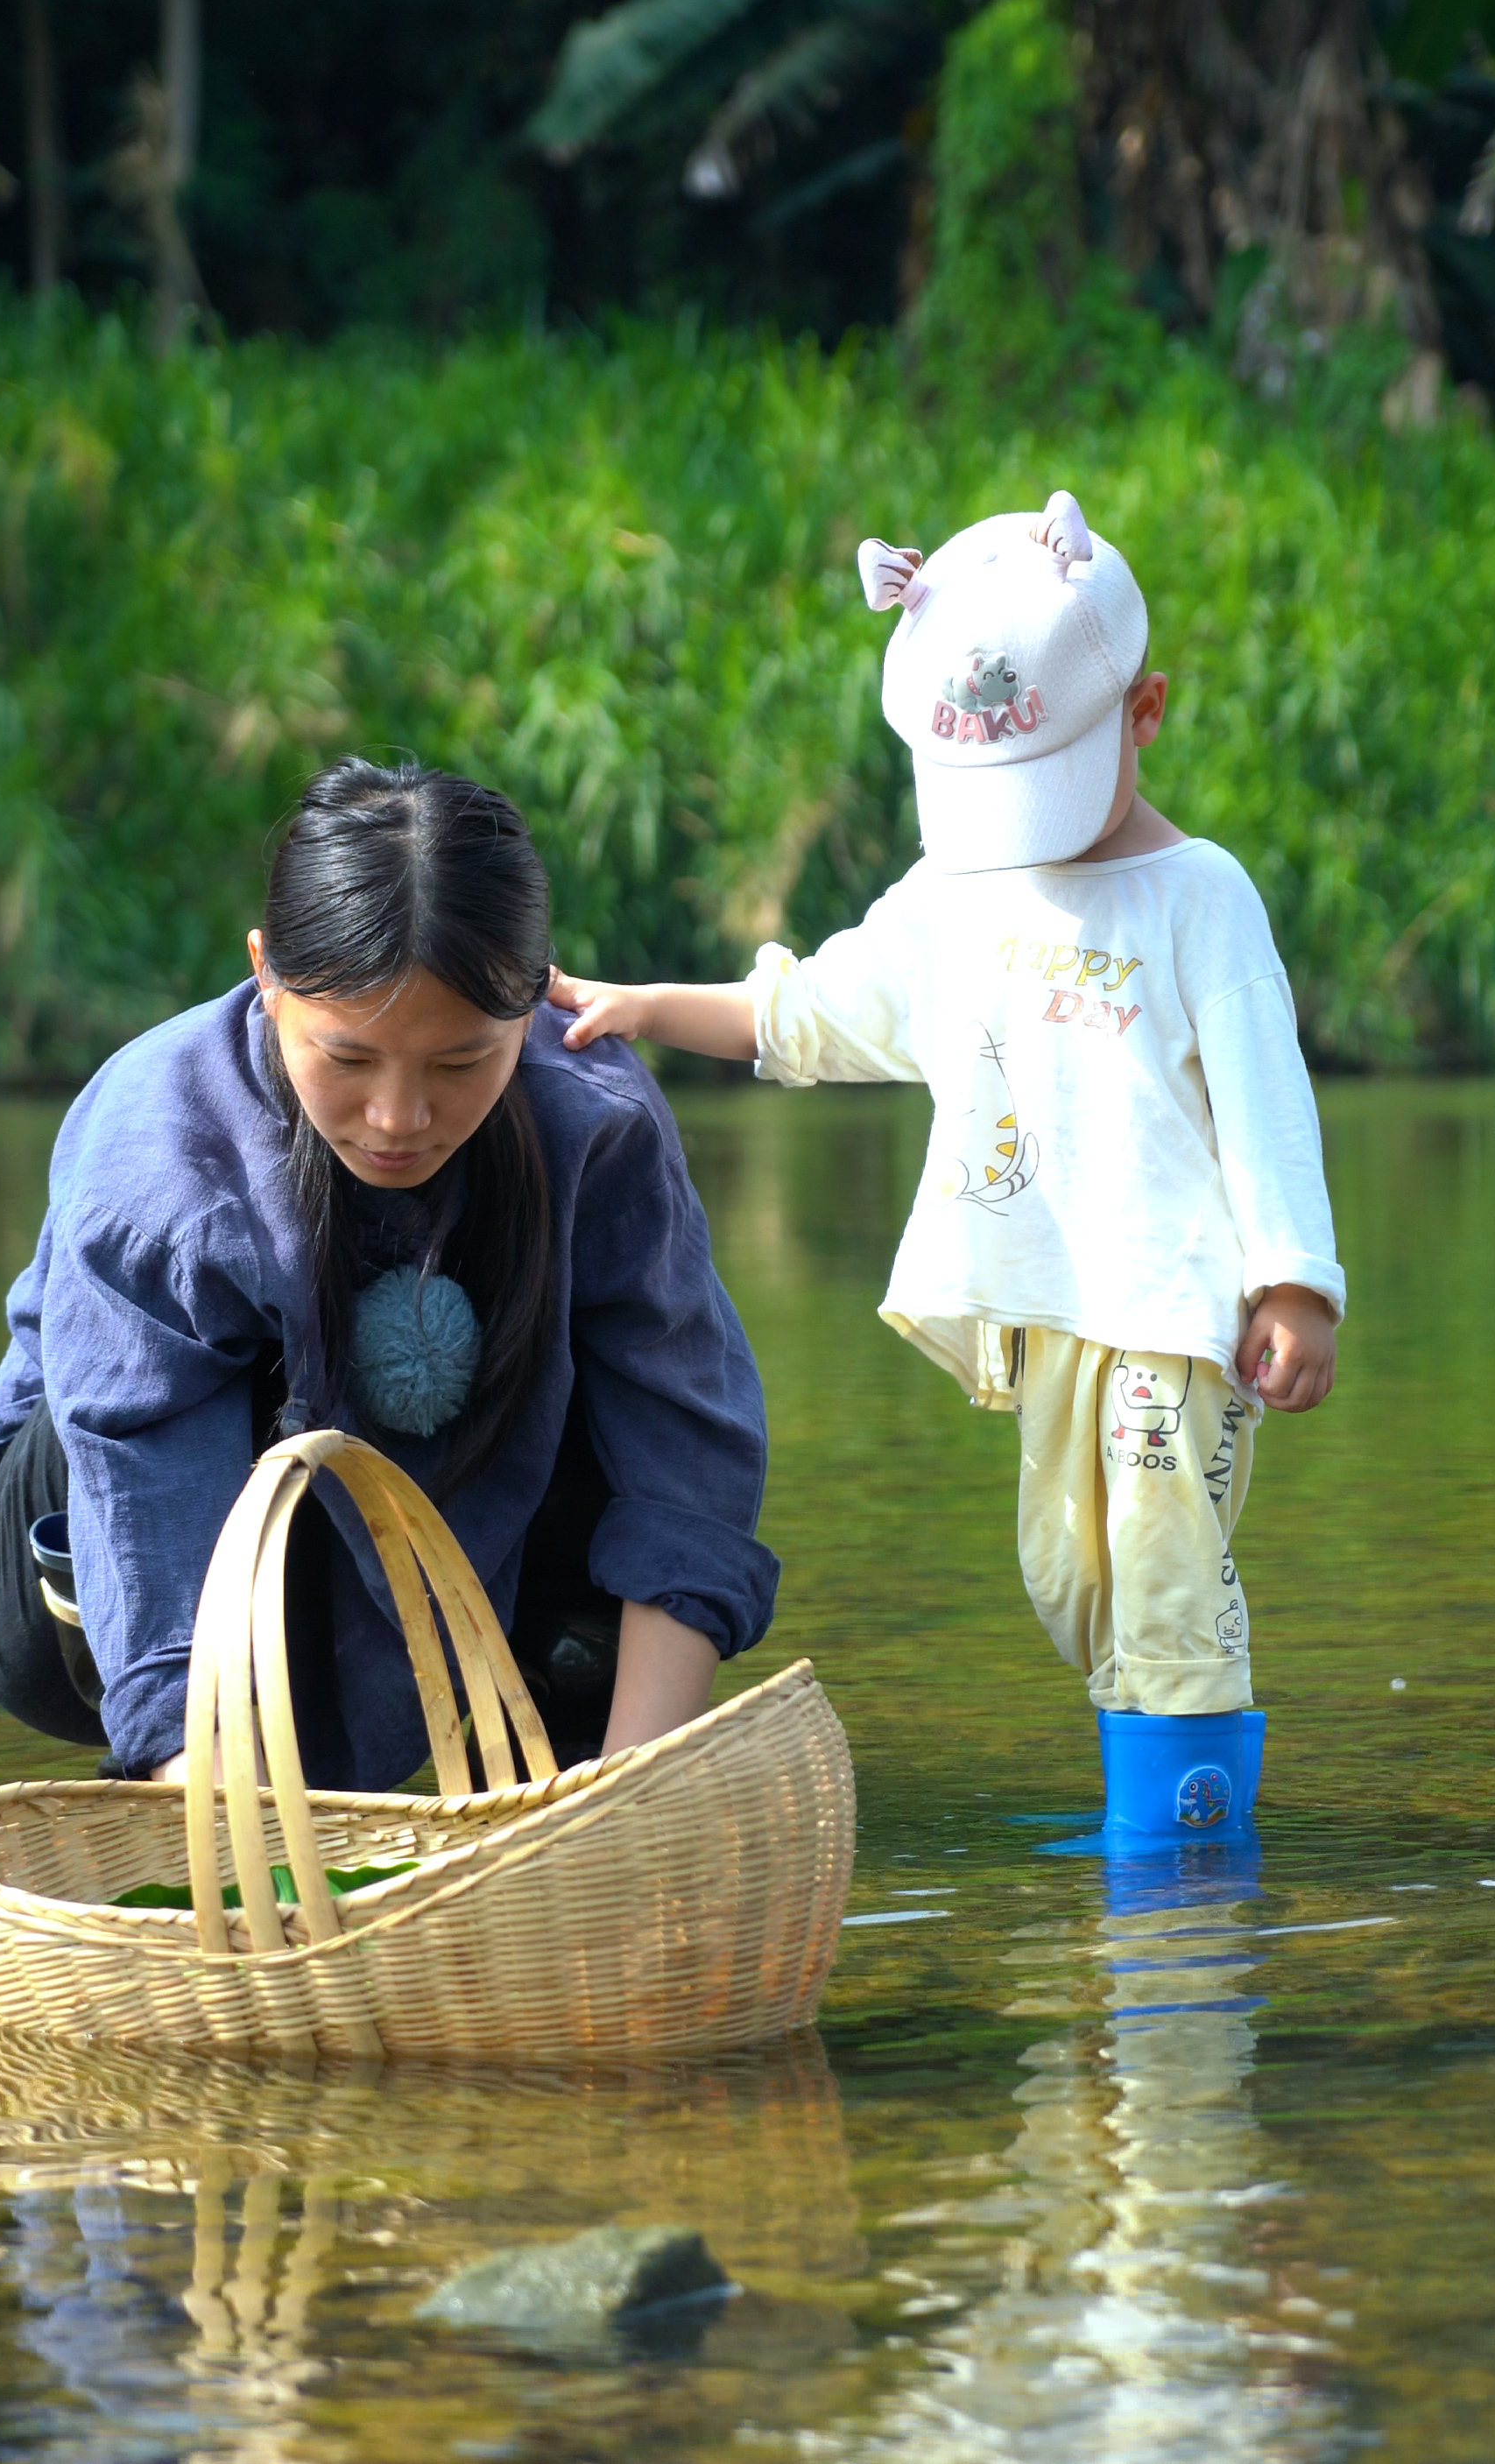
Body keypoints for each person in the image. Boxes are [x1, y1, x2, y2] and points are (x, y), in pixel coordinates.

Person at [551, 489, 1343, 1833]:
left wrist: (1294, 1283)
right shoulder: (961, 888)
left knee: (1164, 1570)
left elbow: (1267, 1098)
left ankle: (1181, 1854)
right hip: (1045, 1308)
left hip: (1172, 1312)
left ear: (1141, 714)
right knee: (1062, 1568)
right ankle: (1153, 1788)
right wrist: (641, 1004)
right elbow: (815, 1010)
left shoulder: (1196, 895)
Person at [0, 760, 778, 1789]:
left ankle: (553, 1753)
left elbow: (682, 1447)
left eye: (462, 1065)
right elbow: (144, 1486)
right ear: (266, 977)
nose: (398, 1119)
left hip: (439, 1547)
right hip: (79, 1567)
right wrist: (237, 1848)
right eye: (348, 1058)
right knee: (234, 1400)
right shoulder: (160, 1153)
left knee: (590, 1405)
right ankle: (238, 1775)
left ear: (535, 1000)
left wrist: (636, 1792)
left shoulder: (594, 1113)